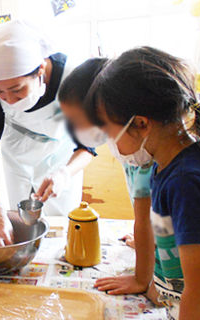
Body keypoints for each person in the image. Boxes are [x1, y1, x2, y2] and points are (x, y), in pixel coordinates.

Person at [86, 46, 200, 320]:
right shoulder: (164, 168)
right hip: (191, 310)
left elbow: (199, 289)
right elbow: (174, 240)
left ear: (141, 123)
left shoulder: (188, 182)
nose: (110, 145)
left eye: (110, 132)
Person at [0, 20, 95, 246]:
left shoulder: (73, 79)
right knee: (19, 224)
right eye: (0, 92)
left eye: (17, 90)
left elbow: (87, 147)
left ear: (40, 69)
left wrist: (65, 174)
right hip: (16, 156)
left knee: (61, 228)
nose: (9, 100)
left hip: (62, 157)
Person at [58, 58, 155, 297]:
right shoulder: (132, 148)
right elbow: (144, 217)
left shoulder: (144, 156)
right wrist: (147, 243)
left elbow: (145, 218)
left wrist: (141, 278)